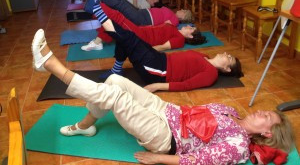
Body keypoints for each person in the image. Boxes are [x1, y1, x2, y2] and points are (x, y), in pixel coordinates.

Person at [31, 29, 295, 164]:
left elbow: (197, 161)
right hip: (166, 112)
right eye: (266, 110)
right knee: (115, 80)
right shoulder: (231, 111)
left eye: (267, 117)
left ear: (268, 134)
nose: (261, 111)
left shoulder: (237, 144)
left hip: (165, 137)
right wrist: (158, 100)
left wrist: (158, 158)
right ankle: (84, 127)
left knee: (117, 99)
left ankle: (52, 66)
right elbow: (189, 112)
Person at [81, 3, 242, 91]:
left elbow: (186, 85)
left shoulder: (211, 73)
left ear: (227, 69)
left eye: (229, 58)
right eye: (229, 54)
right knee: (128, 40)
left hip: (158, 71)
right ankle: (116, 70)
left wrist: (157, 86)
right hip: (158, 59)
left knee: (128, 37)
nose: (226, 53)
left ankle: (96, 9)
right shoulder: (205, 58)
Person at [81, 3, 201, 52]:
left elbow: (160, 47)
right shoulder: (174, 28)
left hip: (141, 37)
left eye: (191, 28)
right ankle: (98, 42)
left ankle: (94, 4)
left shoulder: (179, 40)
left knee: (118, 17)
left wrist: (140, 50)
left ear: (190, 35)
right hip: (142, 30)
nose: (187, 26)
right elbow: (157, 28)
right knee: (114, 22)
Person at [84, 0, 194, 27]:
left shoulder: (174, 21)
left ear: (183, 17)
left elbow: (162, 28)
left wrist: (145, 29)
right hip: (142, 13)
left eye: (183, 11)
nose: (181, 9)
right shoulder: (172, 14)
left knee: (120, 5)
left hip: (143, 19)